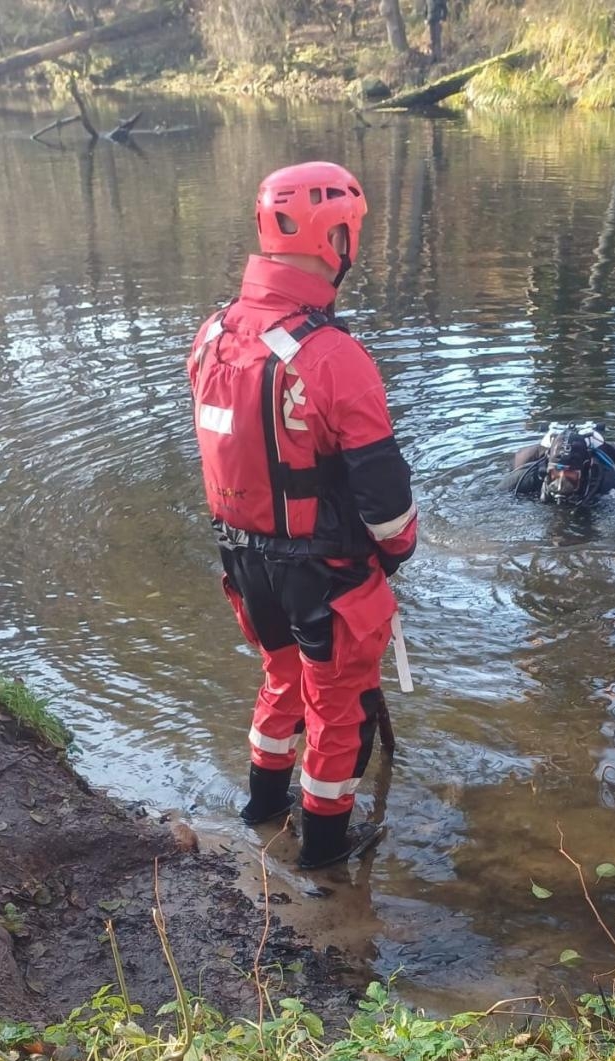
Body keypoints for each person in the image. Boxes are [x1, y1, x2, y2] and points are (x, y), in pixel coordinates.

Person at [187, 161, 418, 869]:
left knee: (281, 678)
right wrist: (397, 551)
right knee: (337, 708)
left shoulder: (213, 333)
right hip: (329, 578)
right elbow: (386, 502)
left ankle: (260, 810)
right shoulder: (333, 357)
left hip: (245, 565)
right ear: (336, 238)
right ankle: (323, 859)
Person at [506, 423, 615, 505]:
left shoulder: (606, 478)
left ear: (585, 470)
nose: (561, 482)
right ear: (546, 469)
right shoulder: (530, 475)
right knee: (519, 460)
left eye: (570, 475)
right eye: (555, 473)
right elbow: (496, 495)